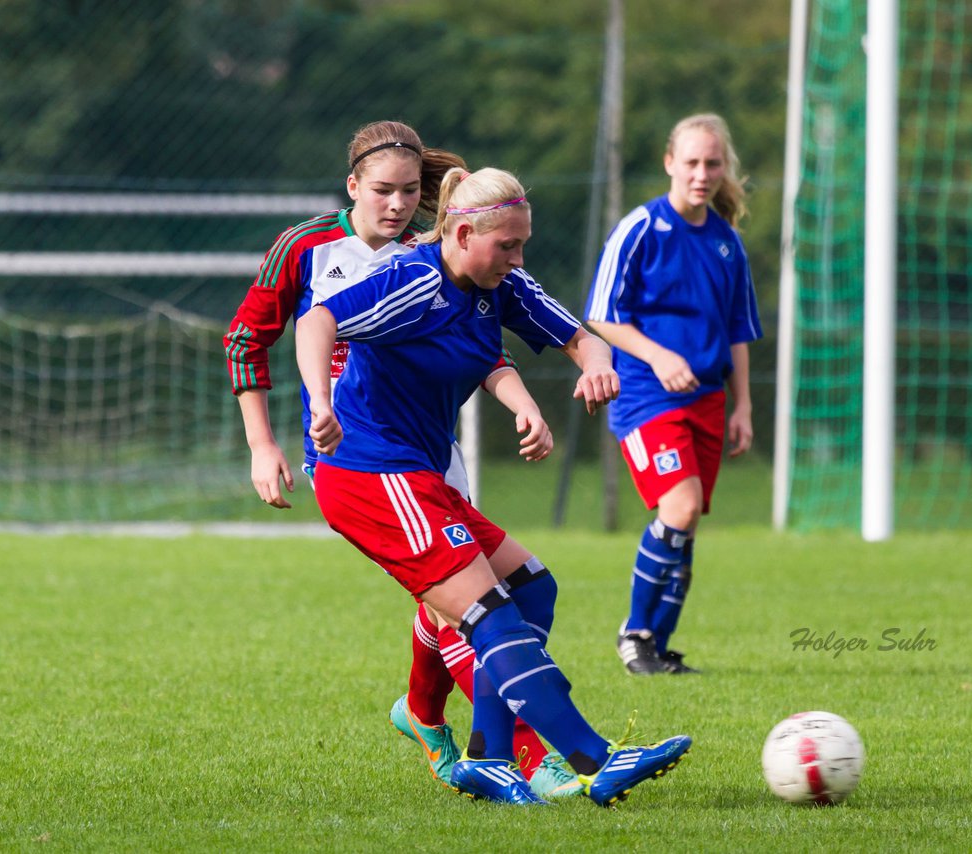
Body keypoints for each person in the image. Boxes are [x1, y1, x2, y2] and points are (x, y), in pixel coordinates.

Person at [294, 165, 692, 806]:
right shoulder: (411, 283)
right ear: (459, 232)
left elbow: (581, 339)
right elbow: (316, 323)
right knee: (490, 614)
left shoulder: (500, 285)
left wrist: (591, 370)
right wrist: (320, 400)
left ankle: (490, 757)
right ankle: (596, 758)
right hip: (369, 474)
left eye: (522, 243)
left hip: (417, 475)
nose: (517, 256)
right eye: (506, 245)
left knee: (534, 588)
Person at [224, 121, 576, 798]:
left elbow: (483, 345)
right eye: (382, 190)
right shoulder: (305, 248)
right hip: (356, 453)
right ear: (352, 185)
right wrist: (262, 445)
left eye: (409, 192)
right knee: (470, 606)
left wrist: (521, 398)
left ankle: (424, 716)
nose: (395, 204)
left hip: (432, 452)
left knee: (461, 600)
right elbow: (246, 338)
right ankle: (535, 757)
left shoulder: (438, 252)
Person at [584, 113, 763, 676]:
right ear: (669, 163)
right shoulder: (640, 228)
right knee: (678, 507)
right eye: (691, 162)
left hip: (708, 400)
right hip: (645, 397)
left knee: (685, 526)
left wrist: (745, 407)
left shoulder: (727, 242)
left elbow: (738, 329)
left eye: (713, 163)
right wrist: (659, 356)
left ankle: (658, 648)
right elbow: (601, 316)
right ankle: (633, 636)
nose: (702, 173)